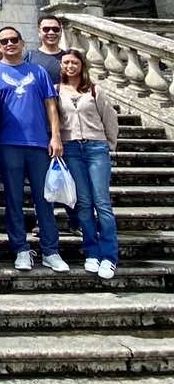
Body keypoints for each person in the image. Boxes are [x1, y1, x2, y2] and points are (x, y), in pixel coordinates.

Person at [0, 26, 70, 273]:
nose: (10, 44)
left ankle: (51, 250)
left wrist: (55, 137)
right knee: (13, 199)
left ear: (22, 43)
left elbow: (51, 106)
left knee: (45, 199)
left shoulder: (38, 71)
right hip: (7, 143)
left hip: (39, 143)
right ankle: (21, 249)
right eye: (4, 41)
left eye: (14, 39)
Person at [56, 48, 120, 278]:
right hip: (71, 148)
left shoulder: (95, 90)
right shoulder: (56, 91)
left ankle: (109, 255)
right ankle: (92, 251)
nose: (70, 66)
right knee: (82, 202)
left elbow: (109, 118)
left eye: (74, 62)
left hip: (95, 147)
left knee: (102, 202)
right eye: (66, 63)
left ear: (82, 65)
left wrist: (109, 144)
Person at [28, 15, 65, 84]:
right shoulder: (29, 56)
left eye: (55, 29)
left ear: (61, 32)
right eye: (46, 29)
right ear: (39, 32)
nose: (51, 32)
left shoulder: (69, 57)